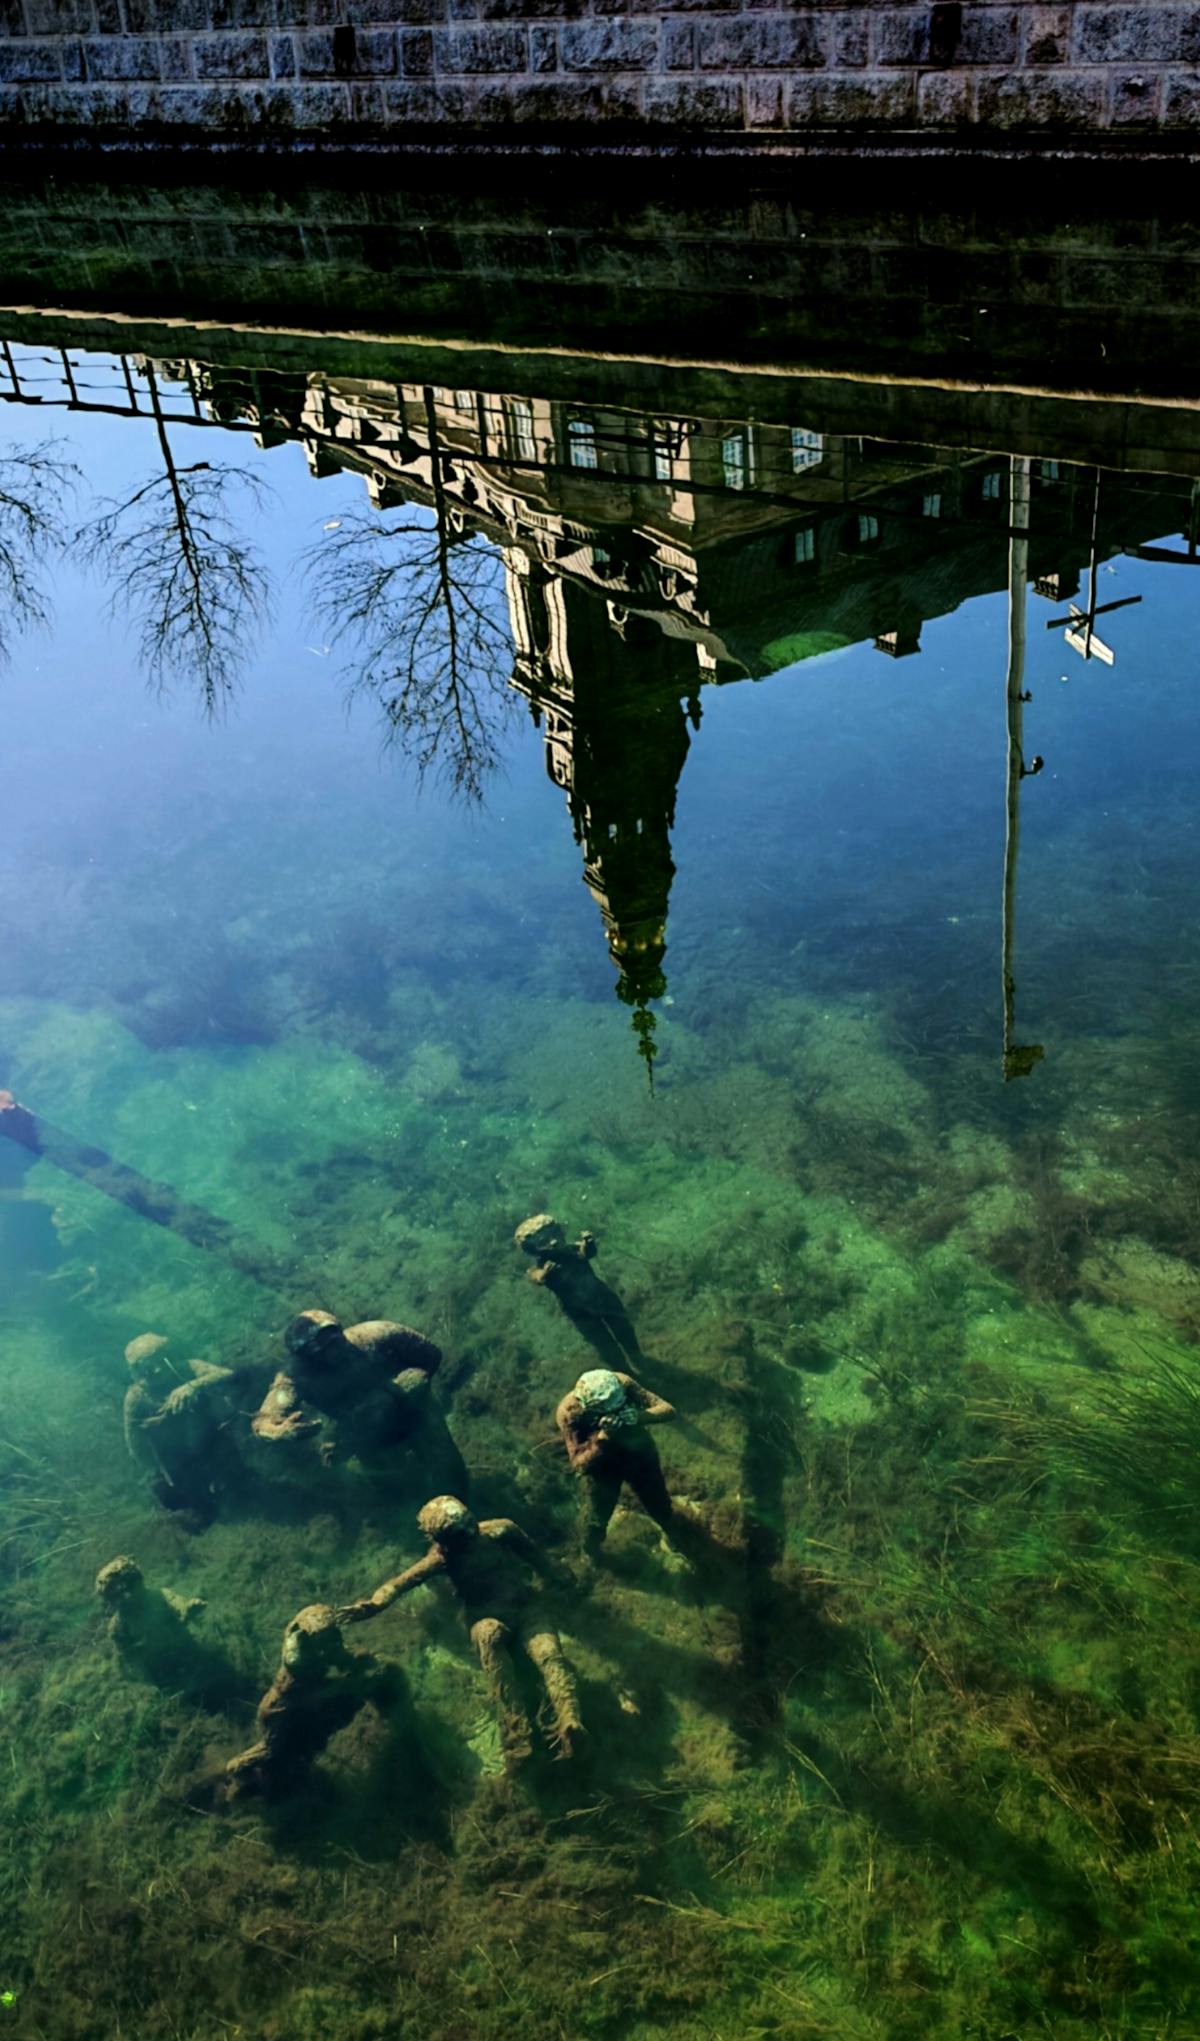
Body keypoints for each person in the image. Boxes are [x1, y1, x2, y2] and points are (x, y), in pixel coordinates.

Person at [341, 1496, 584, 1767]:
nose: (468, 1537)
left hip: (525, 1606)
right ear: (442, 1540)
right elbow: (398, 1585)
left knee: (549, 1654)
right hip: (487, 1617)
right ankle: (517, 1734)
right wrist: (374, 1604)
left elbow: (535, 1556)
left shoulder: (501, 1531)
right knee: (491, 1643)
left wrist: (556, 1574)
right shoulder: (441, 1560)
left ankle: (569, 1719)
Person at [251, 1308, 467, 1496]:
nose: (333, 1352)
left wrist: (402, 1389)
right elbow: (264, 1421)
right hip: (364, 1435)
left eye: (334, 1341)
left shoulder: (378, 1335)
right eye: (321, 1351)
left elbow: (430, 1356)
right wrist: (280, 1431)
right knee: (389, 1486)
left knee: (450, 1472)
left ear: (341, 1330)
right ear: (305, 1357)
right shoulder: (297, 1378)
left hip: (416, 1413)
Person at [224, 1603, 403, 1798]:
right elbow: (318, 1693)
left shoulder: (324, 1643)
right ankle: (238, 1772)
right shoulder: (298, 1662)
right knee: (273, 1751)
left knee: (377, 1677)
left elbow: (343, 1657)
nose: (331, 1639)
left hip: (307, 1704)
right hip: (281, 1714)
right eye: (323, 1636)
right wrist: (348, 1683)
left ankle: (390, 1708)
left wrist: (361, 1662)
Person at [555, 1366, 690, 1563]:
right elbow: (579, 1463)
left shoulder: (622, 1382)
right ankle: (591, 1551)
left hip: (638, 1454)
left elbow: (668, 1410)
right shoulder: (570, 1412)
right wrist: (604, 1436)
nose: (616, 1408)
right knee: (596, 1516)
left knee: (659, 1502)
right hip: (602, 1468)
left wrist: (640, 1416)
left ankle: (672, 1536)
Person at [122, 1331, 242, 1525]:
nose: (157, 1370)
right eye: (148, 1366)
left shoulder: (187, 1369)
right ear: (137, 1371)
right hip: (177, 1457)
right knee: (195, 1504)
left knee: (236, 1481)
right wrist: (155, 1474)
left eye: (160, 1360)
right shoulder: (137, 1398)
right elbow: (135, 1443)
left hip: (211, 1438)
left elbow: (228, 1375)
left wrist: (192, 1386)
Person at [514, 1214, 644, 1370]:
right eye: (543, 1242)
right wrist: (545, 1273)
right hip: (578, 1312)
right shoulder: (540, 1267)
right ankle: (623, 1370)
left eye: (555, 1235)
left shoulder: (572, 1250)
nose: (553, 1241)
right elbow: (535, 1277)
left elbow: (587, 1253)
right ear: (533, 1249)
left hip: (602, 1297)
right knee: (603, 1343)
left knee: (623, 1328)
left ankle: (637, 1358)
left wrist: (589, 1243)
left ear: (561, 1232)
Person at [95, 1554, 205, 1679]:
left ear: (139, 1579)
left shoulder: (159, 1597)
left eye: (129, 1586)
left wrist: (188, 1608)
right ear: (109, 1599)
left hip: (184, 1648)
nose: (127, 1596)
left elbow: (177, 1604)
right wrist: (130, 1664)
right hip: (156, 1664)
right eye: (117, 1595)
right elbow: (122, 1649)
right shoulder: (120, 1622)